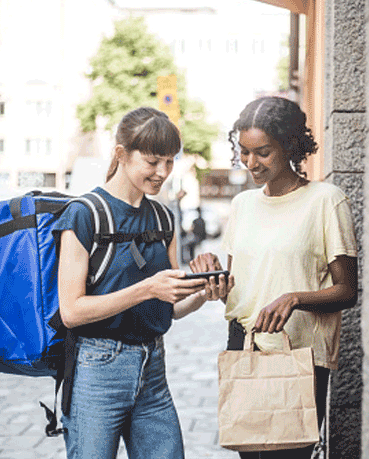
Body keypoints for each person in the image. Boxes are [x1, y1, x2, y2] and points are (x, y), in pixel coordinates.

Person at [55, 106, 233, 459]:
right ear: (121, 154)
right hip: (97, 370)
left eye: (169, 161)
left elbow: (170, 308)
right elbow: (72, 311)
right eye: (153, 161)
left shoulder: (163, 217)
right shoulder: (84, 214)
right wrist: (148, 288)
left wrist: (202, 291)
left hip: (152, 368)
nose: (163, 172)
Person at [191, 96, 358, 459]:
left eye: (263, 152)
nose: (251, 163)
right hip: (245, 344)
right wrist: (213, 277)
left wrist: (294, 298)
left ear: (291, 146)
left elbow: (347, 291)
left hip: (298, 355)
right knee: (250, 454)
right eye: (244, 152)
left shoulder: (326, 201)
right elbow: (237, 283)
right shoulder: (243, 205)